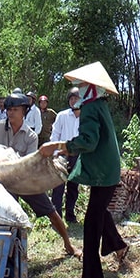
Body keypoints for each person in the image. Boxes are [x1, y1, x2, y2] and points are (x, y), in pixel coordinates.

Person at [39, 62, 129, 278]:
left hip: (103, 171)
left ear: (90, 88)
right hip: (106, 170)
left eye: (81, 85)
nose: (77, 89)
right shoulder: (99, 104)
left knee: (91, 223)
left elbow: (88, 141)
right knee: (98, 212)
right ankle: (118, 246)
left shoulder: (90, 107)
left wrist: (60, 146)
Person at [0, 93, 79, 257]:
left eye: (15, 109)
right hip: (3, 181)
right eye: (9, 109)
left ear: (25, 112)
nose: (11, 113)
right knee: (2, 215)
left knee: (51, 212)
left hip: (25, 179)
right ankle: (4, 252)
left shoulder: (31, 136)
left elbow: (28, 163)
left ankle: (68, 244)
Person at [50, 88, 80, 223]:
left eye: (76, 99)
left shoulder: (85, 117)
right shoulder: (62, 115)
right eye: (71, 99)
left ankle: (70, 214)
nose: (74, 101)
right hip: (62, 154)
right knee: (58, 185)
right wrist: (55, 153)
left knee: (74, 186)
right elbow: (55, 134)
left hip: (77, 155)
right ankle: (56, 216)